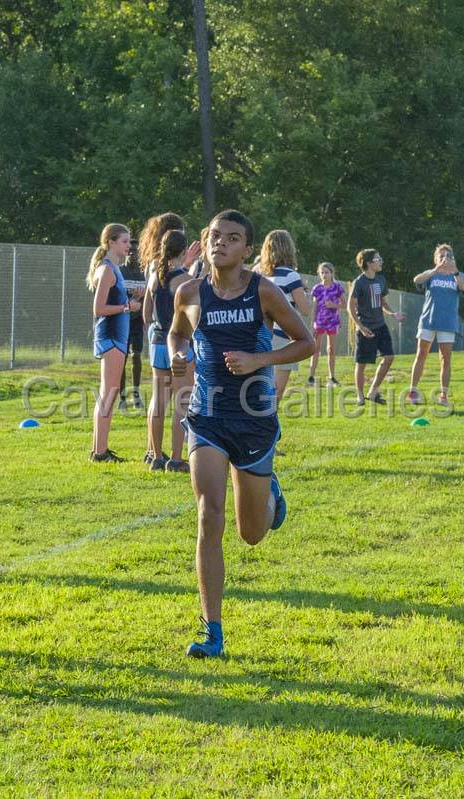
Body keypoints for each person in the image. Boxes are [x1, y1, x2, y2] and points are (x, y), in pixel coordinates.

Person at [168, 210, 313, 658]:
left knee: (251, 533)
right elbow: (176, 334)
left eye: (232, 239)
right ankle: (212, 631)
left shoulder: (263, 291)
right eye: (215, 237)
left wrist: (259, 361)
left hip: (254, 419)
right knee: (209, 513)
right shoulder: (189, 292)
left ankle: (269, 492)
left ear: (247, 249)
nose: (221, 244)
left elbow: (306, 342)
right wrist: (178, 354)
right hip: (207, 417)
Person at [144, 230, 195, 472]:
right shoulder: (184, 279)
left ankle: (155, 456)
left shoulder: (155, 275)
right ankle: (175, 458)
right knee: (182, 401)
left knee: (158, 400)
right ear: (184, 251)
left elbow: (146, 313)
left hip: (156, 340)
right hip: (179, 342)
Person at [88, 223, 139, 463]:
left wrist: (130, 299)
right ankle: (100, 451)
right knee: (108, 393)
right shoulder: (106, 269)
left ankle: (99, 449)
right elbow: (98, 309)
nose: (129, 246)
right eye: (125, 241)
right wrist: (127, 306)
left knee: (108, 392)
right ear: (110, 242)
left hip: (116, 336)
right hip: (110, 336)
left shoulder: (114, 269)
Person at [256, 230, 311, 408]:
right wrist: (305, 293)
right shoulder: (291, 276)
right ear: (289, 249)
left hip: (259, 336)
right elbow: (305, 310)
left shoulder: (259, 275)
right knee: (274, 395)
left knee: (258, 390)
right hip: (282, 337)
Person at [407, 244, 464, 406]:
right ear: (436, 259)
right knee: (421, 355)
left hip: (447, 323)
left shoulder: (459, 275)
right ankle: (413, 392)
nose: (444, 259)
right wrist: (435, 270)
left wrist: (454, 271)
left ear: (453, 259)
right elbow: (416, 280)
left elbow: (463, 287)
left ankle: (443, 395)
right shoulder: (431, 275)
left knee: (445, 359)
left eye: (448, 256)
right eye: (441, 256)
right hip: (428, 321)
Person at [347, 249, 404, 405]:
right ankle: (359, 395)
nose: (381, 261)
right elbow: (350, 307)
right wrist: (360, 326)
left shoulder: (381, 280)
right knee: (361, 364)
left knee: (389, 357)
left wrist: (393, 314)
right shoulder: (359, 282)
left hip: (381, 326)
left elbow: (382, 302)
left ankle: (373, 391)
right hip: (366, 329)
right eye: (378, 259)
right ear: (369, 263)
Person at [118, 245, 147, 410]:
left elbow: (148, 298)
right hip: (122, 318)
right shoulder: (120, 272)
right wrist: (132, 298)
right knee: (122, 358)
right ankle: (122, 397)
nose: (133, 256)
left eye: (136, 253)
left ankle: (136, 394)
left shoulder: (144, 273)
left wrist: (145, 317)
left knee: (136, 356)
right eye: (130, 252)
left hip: (137, 321)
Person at [307, 262, 344, 387]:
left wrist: (334, 305)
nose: (324, 275)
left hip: (333, 322)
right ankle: (311, 377)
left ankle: (332, 377)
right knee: (315, 348)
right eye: (322, 272)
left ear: (332, 273)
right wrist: (313, 322)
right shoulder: (317, 288)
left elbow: (345, 305)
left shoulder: (337, 287)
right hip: (320, 322)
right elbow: (314, 307)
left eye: (327, 272)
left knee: (331, 349)